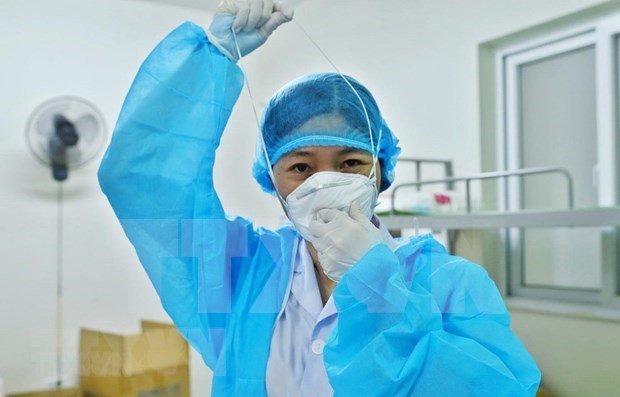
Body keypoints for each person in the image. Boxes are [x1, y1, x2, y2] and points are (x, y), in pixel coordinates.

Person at [98, 1, 541, 396]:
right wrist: (208, 61)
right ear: (273, 182)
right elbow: (144, 182)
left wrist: (376, 286)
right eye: (301, 167)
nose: (324, 183)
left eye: (350, 163)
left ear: (381, 172)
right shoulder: (240, 270)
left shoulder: (449, 282)